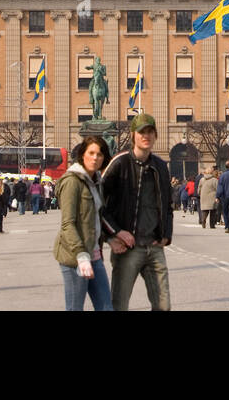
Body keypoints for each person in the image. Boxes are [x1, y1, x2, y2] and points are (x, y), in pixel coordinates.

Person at [101, 113, 173, 311]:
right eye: (142, 132)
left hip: (155, 246)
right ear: (133, 135)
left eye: (150, 132)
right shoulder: (120, 163)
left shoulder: (160, 166)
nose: (146, 136)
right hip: (128, 248)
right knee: (119, 305)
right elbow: (98, 203)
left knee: (163, 306)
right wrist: (114, 233)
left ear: (156, 135)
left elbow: (167, 204)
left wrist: (166, 235)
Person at [55, 135, 113, 311]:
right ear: (82, 155)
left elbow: (96, 218)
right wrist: (81, 255)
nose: (96, 158)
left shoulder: (95, 181)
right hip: (74, 258)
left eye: (100, 154)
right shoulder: (72, 181)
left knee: (106, 308)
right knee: (75, 308)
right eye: (92, 153)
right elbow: (67, 224)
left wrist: (112, 237)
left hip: (94, 255)